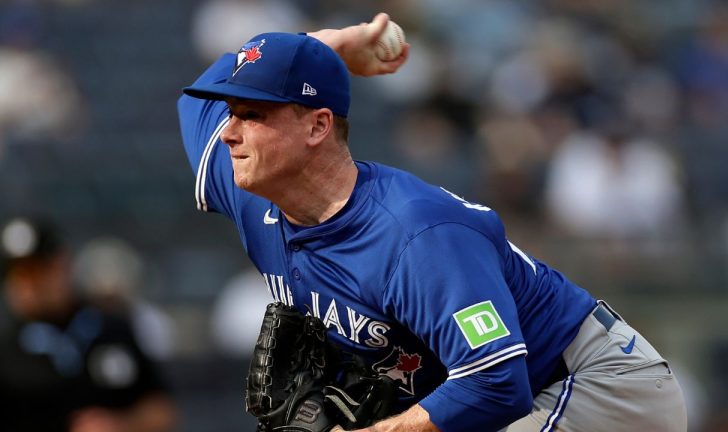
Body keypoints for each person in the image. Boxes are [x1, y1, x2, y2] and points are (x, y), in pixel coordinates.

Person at [177, 13, 687, 431]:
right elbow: (191, 105)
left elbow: (496, 382)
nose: (229, 133)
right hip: (509, 396)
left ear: (317, 126)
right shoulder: (255, 189)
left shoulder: (416, 234)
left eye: (252, 114)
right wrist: (328, 46)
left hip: (590, 384)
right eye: (232, 113)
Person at [0, 217, 176, 432]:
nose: (28, 286)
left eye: (36, 271)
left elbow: (162, 410)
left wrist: (121, 424)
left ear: (62, 264)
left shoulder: (110, 329)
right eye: (17, 275)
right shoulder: (7, 352)